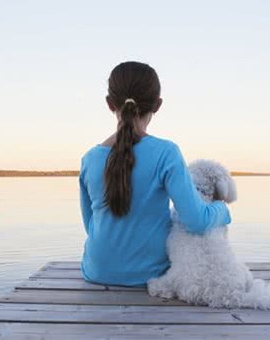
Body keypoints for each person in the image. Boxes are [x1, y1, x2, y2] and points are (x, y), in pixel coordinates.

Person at [78, 61, 232, 287]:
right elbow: (197, 221)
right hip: (152, 274)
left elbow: (91, 226)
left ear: (110, 104)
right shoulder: (166, 153)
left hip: (96, 272)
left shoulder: (89, 159)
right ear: (157, 105)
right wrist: (222, 210)